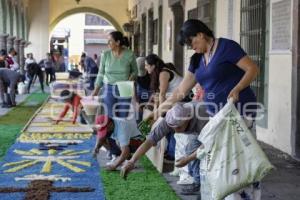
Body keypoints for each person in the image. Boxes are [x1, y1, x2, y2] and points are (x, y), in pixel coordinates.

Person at [150, 19, 260, 199]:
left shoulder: (227, 47)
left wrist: (238, 88)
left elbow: (253, 69)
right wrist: (158, 112)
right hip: (215, 116)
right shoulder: (197, 59)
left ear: (200, 34)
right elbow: (180, 91)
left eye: (191, 42)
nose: (191, 47)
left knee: (239, 163)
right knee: (217, 164)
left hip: (239, 112)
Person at [121, 103, 209, 194]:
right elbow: (149, 141)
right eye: (173, 128)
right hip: (201, 132)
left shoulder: (202, 117)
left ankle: (206, 188)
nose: (176, 131)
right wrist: (131, 161)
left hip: (217, 130)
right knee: (191, 150)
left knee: (200, 153)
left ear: (188, 119)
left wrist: (188, 159)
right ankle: (198, 183)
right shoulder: (170, 119)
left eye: (178, 127)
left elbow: (209, 143)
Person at [91, 31, 138, 118]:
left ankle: (120, 132)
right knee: (110, 117)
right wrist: (95, 91)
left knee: (122, 117)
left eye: (110, 41)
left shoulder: (130, 54)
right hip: (109, 88)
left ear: (117, 42)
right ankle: (111, 132)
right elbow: (101, 73)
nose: (107, 43)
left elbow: (135, 71)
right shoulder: (105, 54)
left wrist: (132, 77)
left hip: (125, 87)